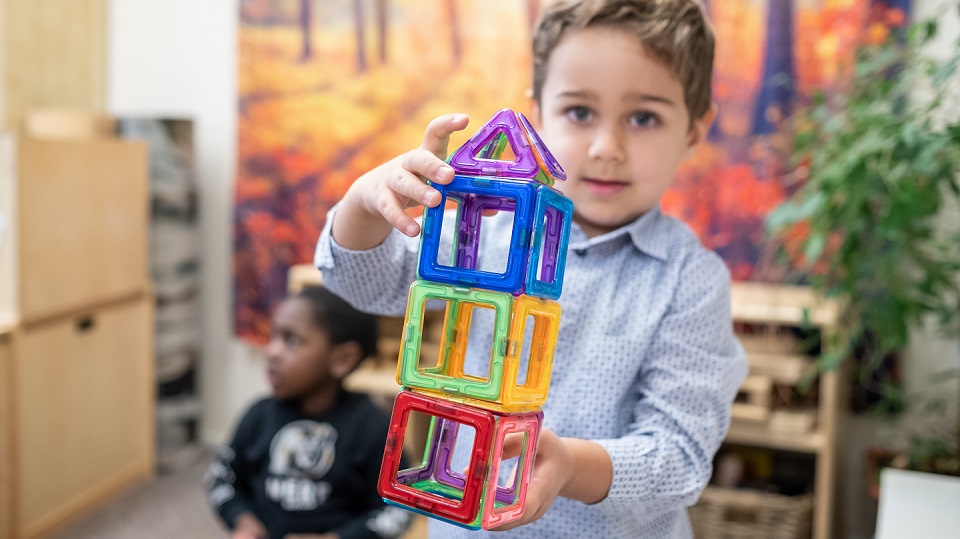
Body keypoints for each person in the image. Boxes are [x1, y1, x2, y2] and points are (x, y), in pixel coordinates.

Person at [313, 0, 748, 536]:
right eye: (580, 112)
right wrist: (362, 203)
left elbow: (679, 461)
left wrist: (570, 465)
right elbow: (362, 282)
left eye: (644, 117)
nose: (606, 148)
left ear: (694, 130)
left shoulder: (691, 281)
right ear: (538, 112)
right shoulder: (484, 229)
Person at [206, 286, 413, 539]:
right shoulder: (258, 416)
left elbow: (399, 508)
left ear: (343, 359)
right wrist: (243, 520)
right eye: (273, 336)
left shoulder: (373, 428)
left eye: (291, 340)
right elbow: (221, 479)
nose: (272, 351)